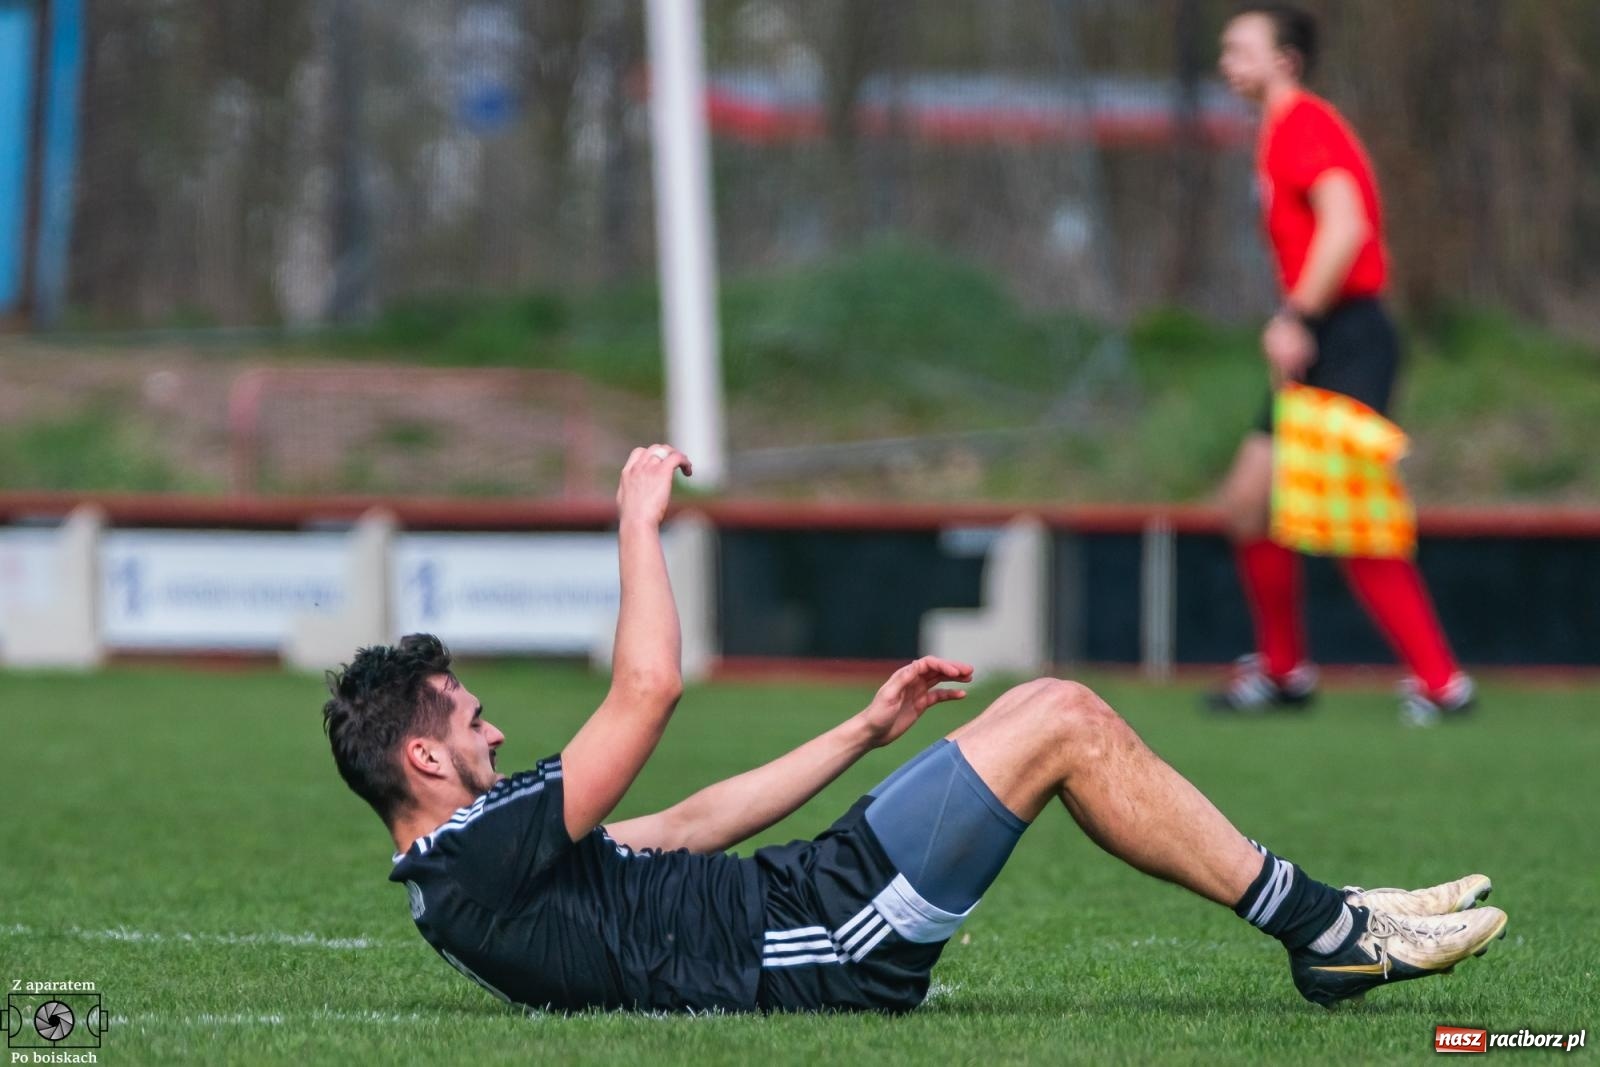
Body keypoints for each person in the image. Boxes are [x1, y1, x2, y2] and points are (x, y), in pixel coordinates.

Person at [322, 443, 1506, 1015]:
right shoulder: (471, 856)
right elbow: (647, 690)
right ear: (421, 756)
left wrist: (863, 729)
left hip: (809, 894)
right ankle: (1328, 927)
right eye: (471, 720)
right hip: (823, 942)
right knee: (1062, 718)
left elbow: (680, 824)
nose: (494, 731)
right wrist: (637, 521)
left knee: (1043, 706)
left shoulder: (476, 859)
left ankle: (1331, 911)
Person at [1210, 3, 1475, 725]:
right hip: (1323, 335)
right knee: (1248, 503)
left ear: (1286, 60)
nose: (1227, 62)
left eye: (1241, 49)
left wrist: (1298, 315)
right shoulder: (1275, 130)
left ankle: (1442, 685)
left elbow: (1347, 223)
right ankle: (1284, 673)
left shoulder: (1304, 123)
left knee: (1356, 518)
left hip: (1347, 335)